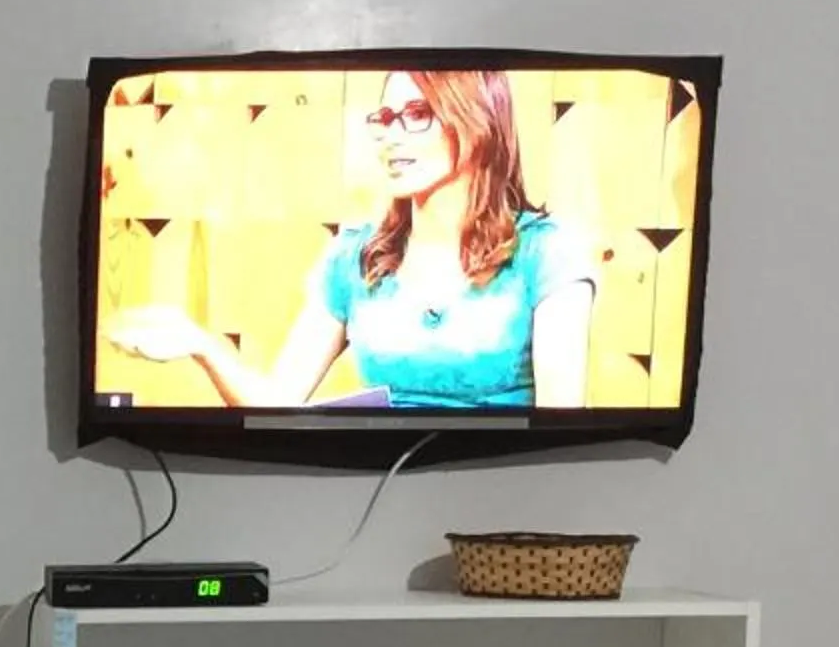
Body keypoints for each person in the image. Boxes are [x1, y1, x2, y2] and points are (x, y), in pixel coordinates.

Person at [106, 67, 595, 410]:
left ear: (478, 120)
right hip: (373, 487)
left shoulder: (545, 252)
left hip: (504, 490)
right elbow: (278, 403)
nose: (391, 135)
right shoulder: (355, 259)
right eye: (384, 118)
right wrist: (200, 344)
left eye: (418, 113)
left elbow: (561, 425)